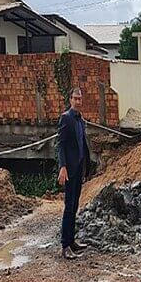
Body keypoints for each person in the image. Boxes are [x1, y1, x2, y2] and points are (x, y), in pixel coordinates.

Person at [57, 87, 90, 260]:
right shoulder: (66, 118)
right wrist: (63, 167)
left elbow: (82, 144)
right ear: (70, 100)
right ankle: (65, 246)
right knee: (69, 206)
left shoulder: (80, 120)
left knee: (75, 205)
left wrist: (86, 168)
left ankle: (72, 241)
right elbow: (61, 144)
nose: (77, 101)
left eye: (80, 98)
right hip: (69, 170)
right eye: (75, 98)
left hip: (78, 169)